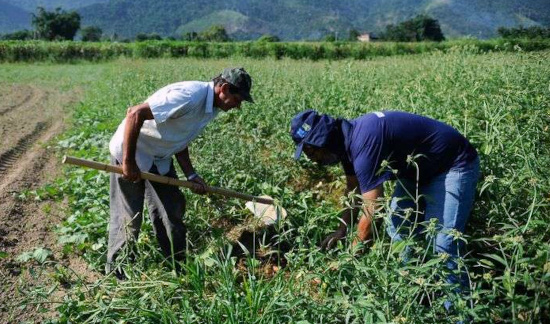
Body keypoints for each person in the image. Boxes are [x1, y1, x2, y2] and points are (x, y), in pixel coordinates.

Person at [290, 109, 479, 296]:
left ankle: (457, 311)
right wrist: (342, 229)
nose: (311, 158)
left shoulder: (363, 142)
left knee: (443, 244)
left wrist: (346, 261)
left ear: (322, 140)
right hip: (416, 171)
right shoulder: (345, 143)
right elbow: (354, 190)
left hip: (453, 164)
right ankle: (413, 292)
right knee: (398, 228)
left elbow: (373, 209)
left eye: (309, 150)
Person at [106, 67, 254, 276]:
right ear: (225, 88)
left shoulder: (211, 108)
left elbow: (180, 138)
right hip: (132, 152)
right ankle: (116, 274)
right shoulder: (190, 96)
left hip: (159, 157)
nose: (238, 106)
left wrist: (191, 175)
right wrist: (128, 163)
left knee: (171, 209)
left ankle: (177, 267)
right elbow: (135, 113)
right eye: (238, 99)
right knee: (129, 218)